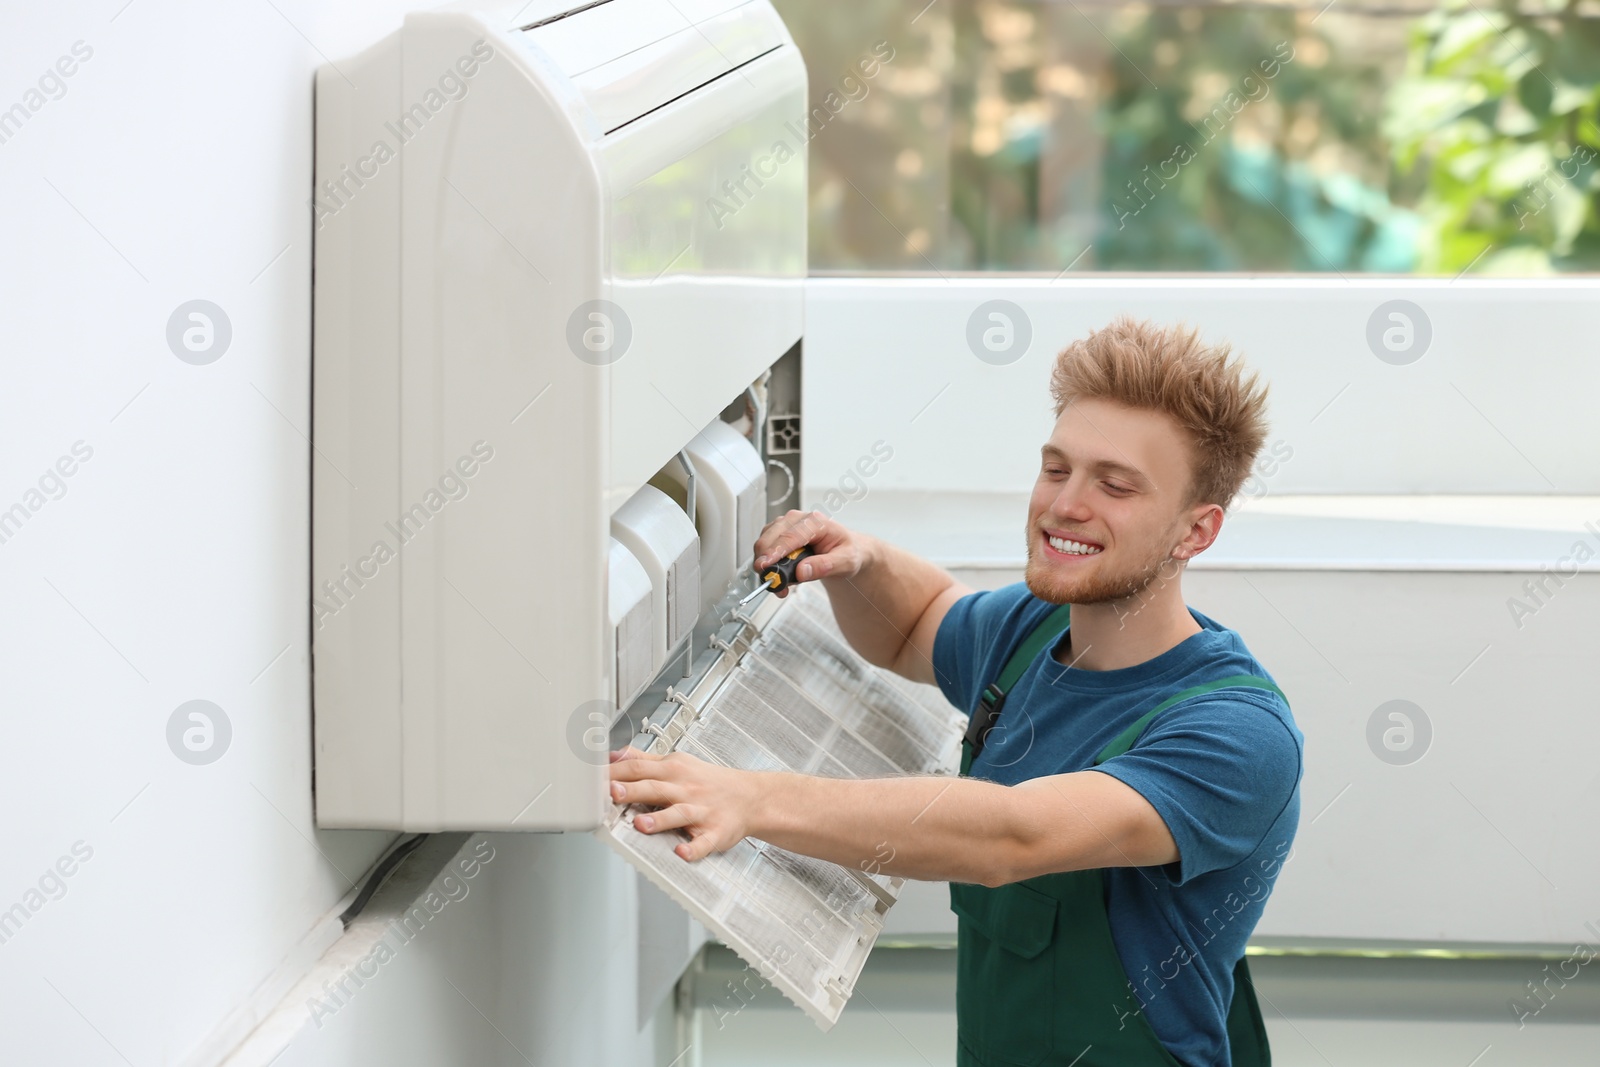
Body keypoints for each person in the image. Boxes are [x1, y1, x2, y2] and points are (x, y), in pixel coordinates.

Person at [608, 314, 1305, 1067]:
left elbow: (1014, 834)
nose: (1065, 503)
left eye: (1115, 485)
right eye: (1056, 467)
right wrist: (863, 560)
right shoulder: (1033, 629)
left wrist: (751, 799)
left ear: (1195, 531)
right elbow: (916, 624)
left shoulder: (1237, 735)